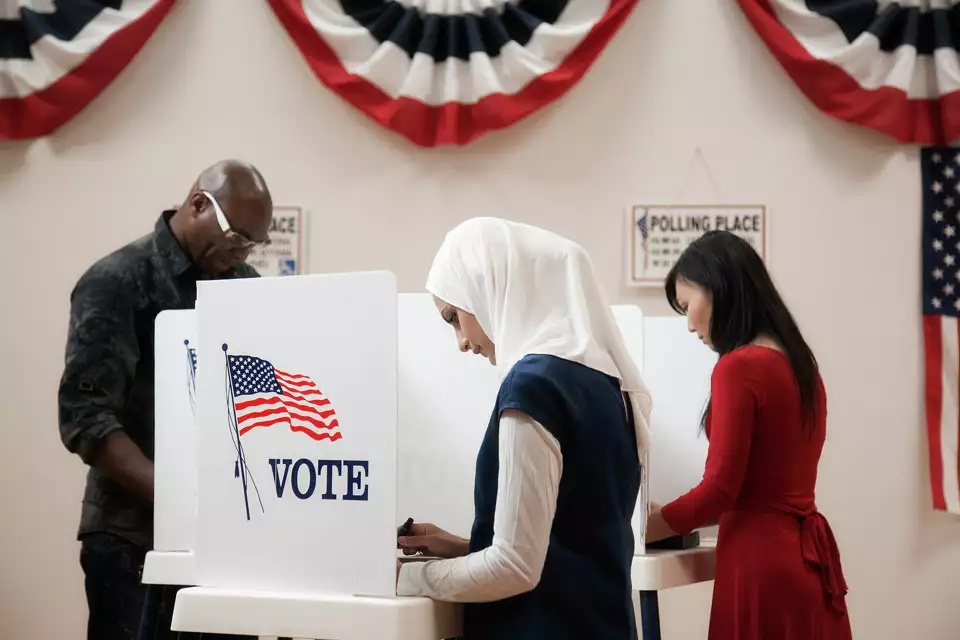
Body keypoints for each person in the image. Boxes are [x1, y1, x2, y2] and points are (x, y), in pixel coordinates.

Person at [395, 217, 654, 639]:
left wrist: (403, 580)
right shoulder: (607, 385)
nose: (461, 340)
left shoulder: (533, 385)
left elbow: (514, 568)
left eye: (454, 317)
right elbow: (568, 542)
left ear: (489, 284)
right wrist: (464, 547)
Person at [57, 160, 273, 640]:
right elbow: (84, 418)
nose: (243, 252)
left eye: (252, 244)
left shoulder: (242, 284)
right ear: (198, 204)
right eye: (236, 238)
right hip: (131, 536)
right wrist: (180, 498)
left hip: (222, 540)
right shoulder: (116, 281)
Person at [644, 230, 852, 639]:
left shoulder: (738, 367)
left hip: (758, 566)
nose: (688, 325)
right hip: (806, 563)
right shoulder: (801, 365)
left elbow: (721, 491)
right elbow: (756, 485)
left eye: (687, 306)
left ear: (718, 288)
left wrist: (645, 527)